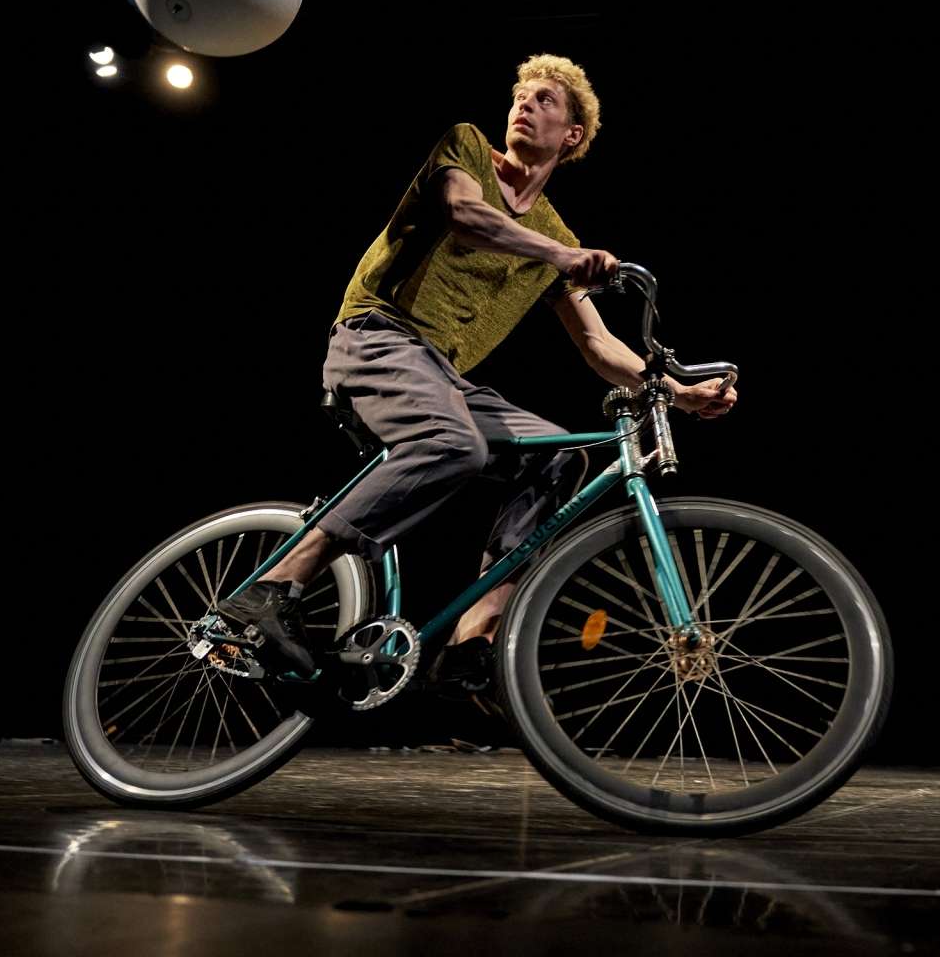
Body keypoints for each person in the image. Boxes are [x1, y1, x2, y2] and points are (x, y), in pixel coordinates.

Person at [218, 54, 737, 683]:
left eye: (545, 99)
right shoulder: (467, 150)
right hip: (376, 336)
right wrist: (561, 255)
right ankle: (274, 585)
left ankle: (473, 638)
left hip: (441, 373)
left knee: (559, 455)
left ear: (572, 134)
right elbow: (465, 214)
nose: (524, 104)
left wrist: (677, 393)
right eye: (521, 94)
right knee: (452, 443)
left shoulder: (552, 230)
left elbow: (598, 344)